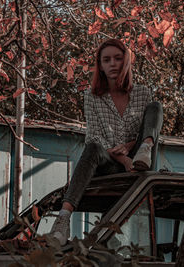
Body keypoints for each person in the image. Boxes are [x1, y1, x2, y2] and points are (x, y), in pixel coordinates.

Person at [50, 38, 163, 245]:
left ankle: (145, 149)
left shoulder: (141, 93)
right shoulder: (92, 97)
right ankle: (63, 220)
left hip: (141, 162)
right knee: (93, 147)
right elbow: (95, 137)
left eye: (118, 58)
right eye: (107, 60)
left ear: (126, 62)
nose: (112, 63)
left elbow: (146, 127)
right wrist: (124, 160)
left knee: (155, 107)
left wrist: (132, 147)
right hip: (111, 163)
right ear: (100, 65)